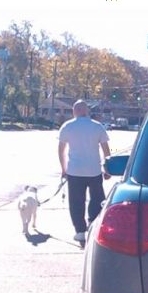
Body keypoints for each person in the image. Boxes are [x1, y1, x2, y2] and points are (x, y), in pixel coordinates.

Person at [58, 100, 111, 242]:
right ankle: (93, 224)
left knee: (76, 201)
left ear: (75, 111)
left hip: (74, 170)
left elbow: (61, 150)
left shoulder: (67, 126)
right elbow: (106, 149)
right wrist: (107, 168)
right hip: (94, 170)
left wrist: (64, 169)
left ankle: (80, 230)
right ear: (86, 111)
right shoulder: (97, 126)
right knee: (97, 199)